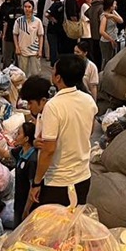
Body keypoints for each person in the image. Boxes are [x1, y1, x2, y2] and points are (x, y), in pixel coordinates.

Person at [28, 54, 98, 211]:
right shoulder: (88, 100)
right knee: (74, 228)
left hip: (58, 181)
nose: (51, 72)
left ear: (58, 78)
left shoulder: (53, 106)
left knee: (53, 230)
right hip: (83, 176)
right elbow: (90, 131)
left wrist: (37, 182)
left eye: (53, 70)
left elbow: (49, 150)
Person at [10, 119, 38, 228]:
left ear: (26, 139)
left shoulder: (32, 160)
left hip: (27, 206)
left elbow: (33, 189)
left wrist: (26, 210)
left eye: (19, 134)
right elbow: (3, 153)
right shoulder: (20, 152)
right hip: (19, 202)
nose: (16, 136)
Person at [14, 0, 46, 76]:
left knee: (35, 73)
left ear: (32, 8)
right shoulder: (19, 21)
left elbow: (40, 36)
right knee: (23, 73)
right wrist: (17, 47)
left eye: (29, 7)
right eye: (25, 7)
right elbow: (15, 34)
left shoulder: (38, 21)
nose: (27, 9)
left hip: (34, 50)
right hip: (22, 50)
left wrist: (40, 50)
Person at [74, 40, 99, 105]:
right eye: (74, 51)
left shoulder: (92, 67)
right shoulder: (71, 64)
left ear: (85, 53)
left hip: (86, 98)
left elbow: (93, 87)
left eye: (78, 52)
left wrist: (94, 103)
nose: (75, 54)